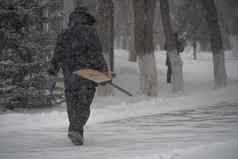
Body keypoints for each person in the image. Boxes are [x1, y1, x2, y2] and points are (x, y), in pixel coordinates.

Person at [47, 6, 108, 145]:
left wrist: (53, 69)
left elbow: (57, 54)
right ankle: (76, 129)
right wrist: (104, 72)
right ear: (87, 18)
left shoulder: (64, 34)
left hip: (70, 75)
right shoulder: (90, 32)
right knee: (84, 105)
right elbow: (96, 54)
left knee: (72, 104)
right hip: (87, 76)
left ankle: (75, 130)